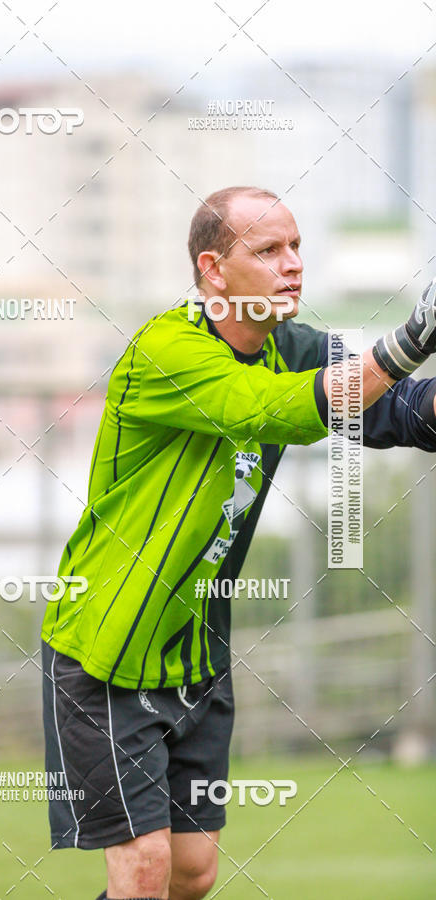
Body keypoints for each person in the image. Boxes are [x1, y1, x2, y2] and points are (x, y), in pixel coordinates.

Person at [40, 186, 436, 900]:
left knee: (192, 875)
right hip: (106, 648)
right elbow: (282, 407)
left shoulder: (292, 348)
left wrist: (414, 381)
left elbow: (404, 411)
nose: (292, 266)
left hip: (196, 657)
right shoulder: (168, 348)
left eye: (296, 247)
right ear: (213, 269)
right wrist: (409, 340)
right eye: (268, 251)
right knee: (144, 871)